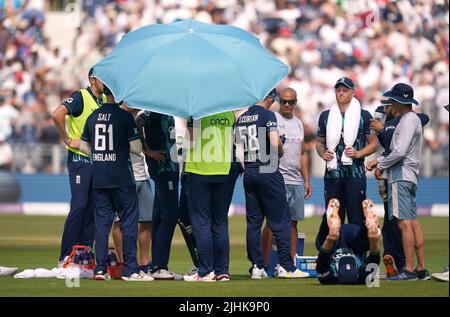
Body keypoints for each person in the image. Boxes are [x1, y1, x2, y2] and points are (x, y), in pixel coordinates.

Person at [79, 84, 152, 281]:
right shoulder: (125, 117)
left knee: (102, 225)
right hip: (121, 177)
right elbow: (136, 148)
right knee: (129, 223)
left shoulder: (92, 116)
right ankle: (130, 270)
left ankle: (101, 270)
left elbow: (84, 146)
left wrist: (100, 155)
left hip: (100, 177)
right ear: (119, 95)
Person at [235, 88, 308, 279]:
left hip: (249, 170)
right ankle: (286, 267)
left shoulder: (241, 118)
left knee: (253, 222)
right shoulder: (268, 115)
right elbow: (275, 144)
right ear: (270, 98)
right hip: (268, 167)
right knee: (281, 219)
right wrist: (281, 152)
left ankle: (257, 267)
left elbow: (237, 148)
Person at [366, 83, 428, 281]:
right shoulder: (411, 119)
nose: (390, 103)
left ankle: (408, 269)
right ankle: (420, 268)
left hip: (401, 174)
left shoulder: (407, 120)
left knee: (403, 223)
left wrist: (381, 163)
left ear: (400, 101)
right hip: (409, 174)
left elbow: (399, 151)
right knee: (411, 222)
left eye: (392, 99)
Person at [315, 77, 377, 252]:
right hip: (333, 174)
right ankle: (335, 254)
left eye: (345, 90)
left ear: (352, 92)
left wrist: (358, 153)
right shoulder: (326, 116)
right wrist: (323, 153)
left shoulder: (364, 115)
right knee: (333, 217)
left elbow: (373, 143)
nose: (341, 93)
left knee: (357, 216)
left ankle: (358, 256)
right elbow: (319, 143)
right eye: (338, 90)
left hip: (355, 174)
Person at [52, 67, 105, 265]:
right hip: (80, 161)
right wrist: (67, 139)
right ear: (92, 80)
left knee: (92, 208)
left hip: (97, 163)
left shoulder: (104, 101)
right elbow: (58, 114)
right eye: (102, 78)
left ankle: (82, 256)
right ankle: (65, 256)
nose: (105, 82)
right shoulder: (81, 96)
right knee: (80, 205)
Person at [182, 111, 238, 282]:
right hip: (222, 170)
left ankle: (206, 270)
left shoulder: (196, 113)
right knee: (220, 222)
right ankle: (222, 271)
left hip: (199, 170)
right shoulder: (229, 113)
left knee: (201, 221)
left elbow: (190, 142)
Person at [261, 87, 312, 266]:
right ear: (278, 101)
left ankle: (291, 264)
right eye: (284, 101)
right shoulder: (272, 118)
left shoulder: (298, 123)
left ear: (295, 103)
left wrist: (306, 180)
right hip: (277, 179)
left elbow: (303, 152)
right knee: (271, 222)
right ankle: (264, 265)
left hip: (295, 180)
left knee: (293, 224)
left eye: (291, 102)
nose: (287, 105)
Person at [136, 110, 180, 280]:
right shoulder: (155, 111)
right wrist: (147, 151)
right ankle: (159, 266)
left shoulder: (167, 113)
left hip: (170, 167)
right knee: (170, 215)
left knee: (160, 216)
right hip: (164, 168)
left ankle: (157, 266)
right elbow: (138, 122)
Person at [111, 104, 154, 271]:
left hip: (142, 175)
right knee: (120, 220)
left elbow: (139, 144)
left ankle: (143, 261)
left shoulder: (135, 118)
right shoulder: (116, 117)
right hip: (124, 177)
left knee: (147, 219)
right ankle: (124, 262)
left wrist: (147, 151)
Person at [316, 198, 381, 285]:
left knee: (322, 244)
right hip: (354, 241)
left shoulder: (328, 278)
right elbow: (374, 258)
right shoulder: (364, 277)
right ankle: (369, 224)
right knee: (365, 243)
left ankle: (328, 219)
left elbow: (322, 261)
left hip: (335, 241)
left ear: (337, 274)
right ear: (357, 274)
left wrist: (330, 239)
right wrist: (373, 239)